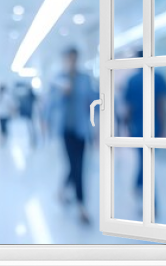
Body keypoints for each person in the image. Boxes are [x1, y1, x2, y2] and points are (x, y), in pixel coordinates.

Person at [55, 47, 96, 224]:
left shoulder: (85, 80)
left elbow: (93, 104)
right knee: (74, 165)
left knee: (78, 166)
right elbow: (51, 105)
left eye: (73, 59)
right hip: (65, 130)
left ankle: (74, 200)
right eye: (68, 59)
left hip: (81, 130)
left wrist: (95, 128)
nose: (71, 62)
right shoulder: (58, 80)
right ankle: (78, 203)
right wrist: (62, 94)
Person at [124, 50, 166, 199]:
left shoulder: (132, 80)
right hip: (153, 126)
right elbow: (162, 105)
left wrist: (127, 128)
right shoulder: (158, 78)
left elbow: (128, 108)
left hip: (137, 126)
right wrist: (163, 127)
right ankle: (151, 199)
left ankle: (138, 185)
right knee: (147, 160)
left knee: (144, 159)